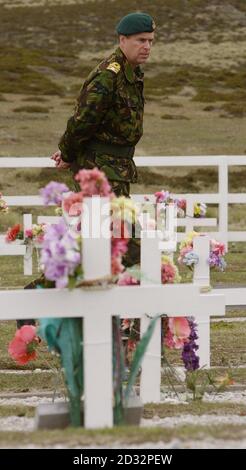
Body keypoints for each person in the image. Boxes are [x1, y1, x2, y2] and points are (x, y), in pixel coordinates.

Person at [51, 12, 156, 197]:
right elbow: (82, 121)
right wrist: (67, 154)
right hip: (98, 170)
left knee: (119, 225)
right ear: (123, 40)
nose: (147, 46)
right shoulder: (108, 75)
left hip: (115, 168)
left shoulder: (131, 73)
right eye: (141, 40)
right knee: (114, 225)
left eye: (150, 41)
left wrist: (68, 151)